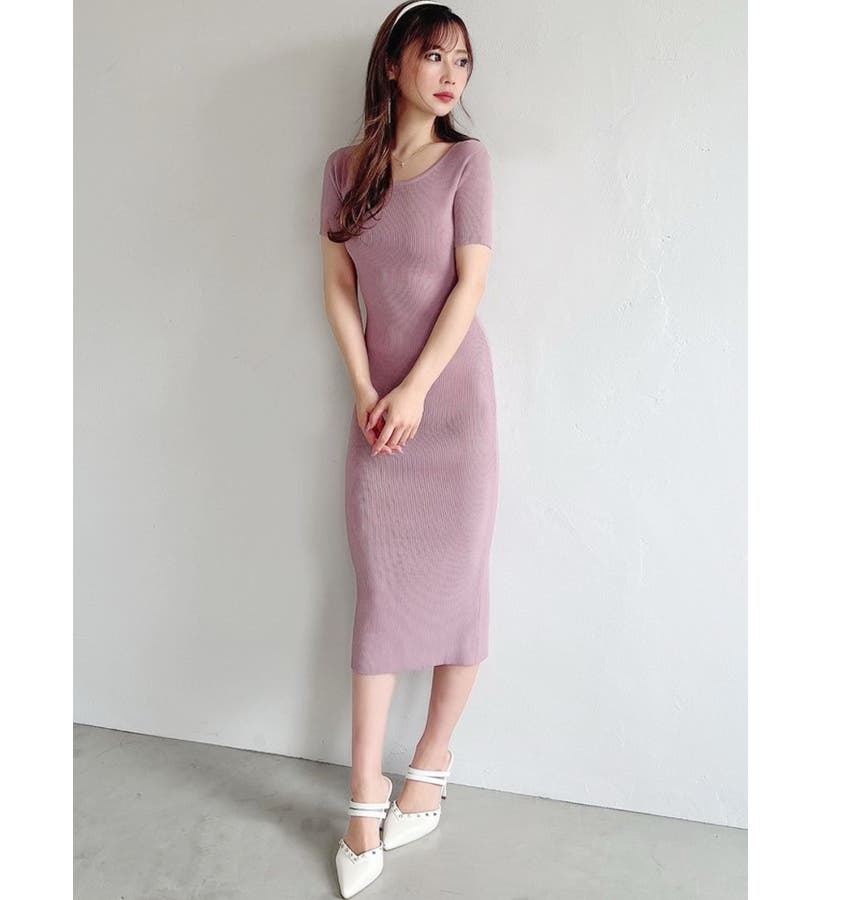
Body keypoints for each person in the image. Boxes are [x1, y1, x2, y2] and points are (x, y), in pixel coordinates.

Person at [319, 2, 498, 895]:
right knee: (382, 599)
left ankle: (430, 763)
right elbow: (338, 286)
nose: (450, 74)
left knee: (461, 585)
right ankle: (363, 799)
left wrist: (418, 388)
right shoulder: (345, 170)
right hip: (378, 418)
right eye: (434, 56)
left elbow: (470, 285)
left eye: (461, 60)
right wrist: (365, 389)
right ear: (392, 64)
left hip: (452, 407)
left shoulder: (468, 162)